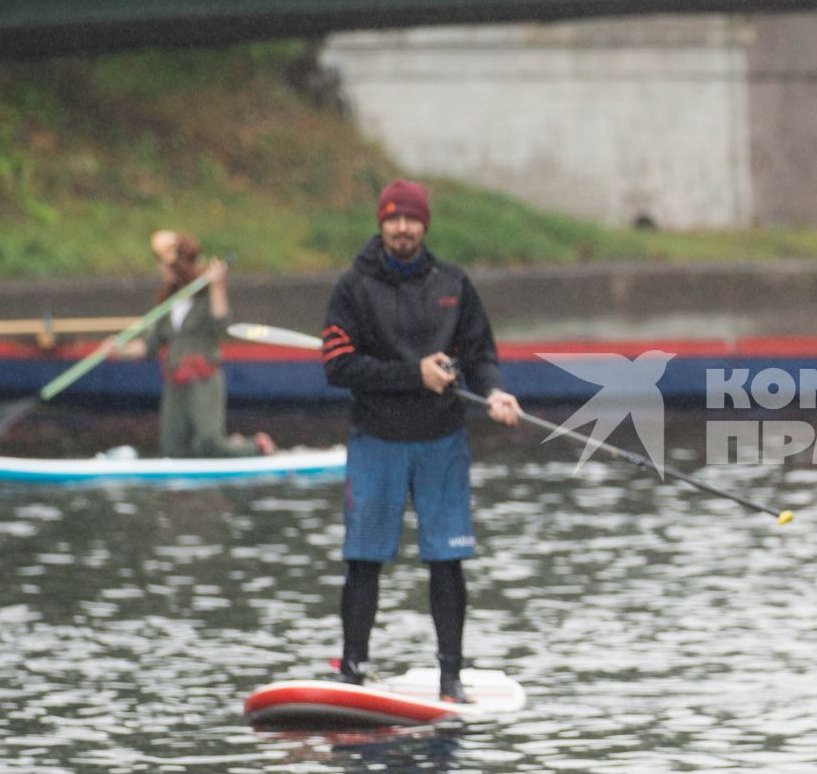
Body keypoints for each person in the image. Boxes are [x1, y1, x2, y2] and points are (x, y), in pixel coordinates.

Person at [321, 179, 522, 703]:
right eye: (393, 219)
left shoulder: (453, 284)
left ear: (424, 225)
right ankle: (353, 669)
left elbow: (479, 355)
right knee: (363, 559)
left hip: (441, 440)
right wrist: (416, 374)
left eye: (411, 219)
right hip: (377, 439)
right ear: (380, 223)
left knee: (446, 560)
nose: (402, 228)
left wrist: (495, 392)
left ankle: (450, 677)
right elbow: (338, 366)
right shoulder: (353, 287)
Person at [115, 230, 275, 459]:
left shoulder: (205, 296)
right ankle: (223, 452)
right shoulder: (167, 304)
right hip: (175, 383)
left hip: (203, 380)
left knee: (210, 442)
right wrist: (117, 350)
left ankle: (256, 446)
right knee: (172, 449)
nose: (160, 270)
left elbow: (223, 328)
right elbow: (148, 346)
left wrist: (218, 287)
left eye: (164, 265)